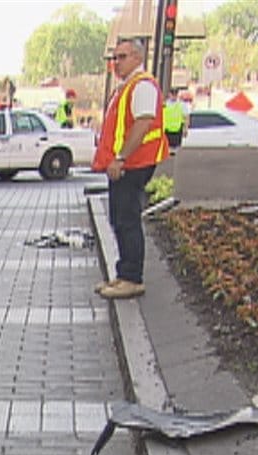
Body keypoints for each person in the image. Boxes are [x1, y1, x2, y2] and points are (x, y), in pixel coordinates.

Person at [91, 38, 169, 300]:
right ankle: (124, 274)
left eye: (122, 57)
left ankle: (132, 278)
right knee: (119, 218)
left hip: (134, 162)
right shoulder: (127, 87)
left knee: (126, 219)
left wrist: (121, 158)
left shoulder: (142, 86)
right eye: (114, 57)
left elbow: (143, 123)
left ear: (137, 57)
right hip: (127, 162)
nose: (116, 63)